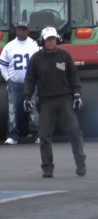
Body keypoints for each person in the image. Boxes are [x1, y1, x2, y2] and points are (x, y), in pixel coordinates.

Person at [23, 26, 86, 178]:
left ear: (57, 40)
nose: (51, 42)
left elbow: (74, 77)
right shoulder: (36, 59)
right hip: (46, 101)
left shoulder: (65, 56)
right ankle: (47, 168)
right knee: (44, 136)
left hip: (65, 99)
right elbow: (30, 80)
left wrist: (77, 94)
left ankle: (80, 164)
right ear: (43, 41)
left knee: (75, 133)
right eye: (48, 39)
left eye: (53, 39)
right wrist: (27, 97)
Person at [0, 21, 39, 145]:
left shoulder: (34, 45)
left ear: (28, 30)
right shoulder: (9, 46)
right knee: (13, 110)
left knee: (34, 110)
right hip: (14, 84)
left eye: (24, 29)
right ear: (16, 30)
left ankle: (36, 133)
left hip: (31, 83)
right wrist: (8, 79)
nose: (22, 31)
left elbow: (40, 63)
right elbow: (2, 65)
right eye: (20, 29)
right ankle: (13, 135)